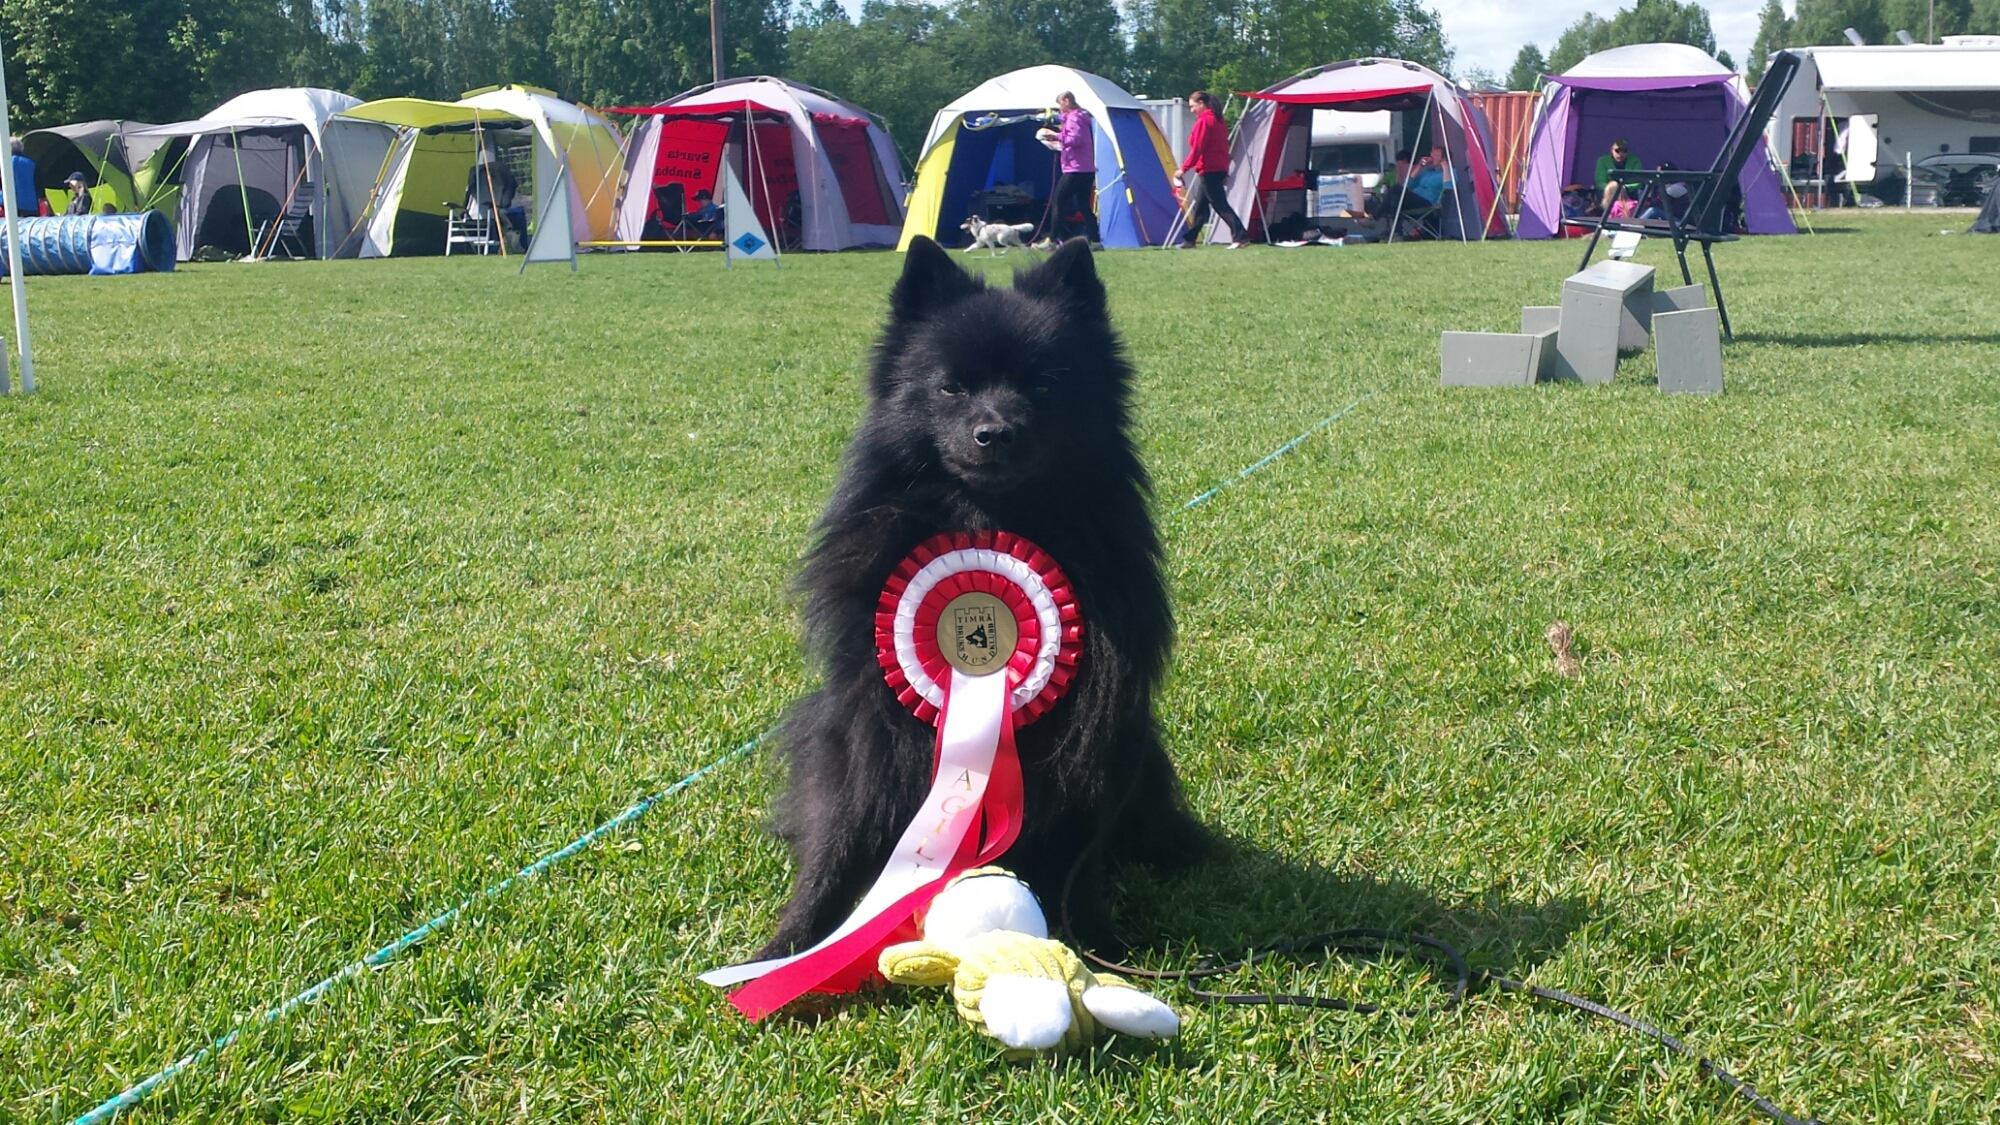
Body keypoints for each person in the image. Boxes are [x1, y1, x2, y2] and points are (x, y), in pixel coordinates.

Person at [1173, 89, 1247, 248]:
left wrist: (1183, 169)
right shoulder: (1219, 121)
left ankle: (1240, 236)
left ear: (1201, 104)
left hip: (1209, 169)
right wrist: (1225, 170)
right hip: (1218, 167)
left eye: (1193, 106)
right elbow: (1223, 148)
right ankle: (1190, 239)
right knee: (1201, 206)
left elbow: (1198, 148)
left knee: (1219, 204)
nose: (1191, 110)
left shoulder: (1204, 121)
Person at [1046, 91, 1099, 247]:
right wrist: (1058, 144)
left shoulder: (1074, 117)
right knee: (1084, 206)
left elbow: (1075, 140)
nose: (1059, 108)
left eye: (1060, 104)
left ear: (1067, 101)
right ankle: (1095, 240)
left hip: (1075, 169)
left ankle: (1052, 239)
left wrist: (1055, 135)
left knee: (1058, 201)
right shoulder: (1081, 118)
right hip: (1086, 169)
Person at [467, 145, 527, 243]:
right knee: (511, 214)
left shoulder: (476, 181)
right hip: (492, 214)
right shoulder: (500, 179)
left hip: (475, 214)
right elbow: (506, 202)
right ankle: (516, 241)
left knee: (504, 213)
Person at [1596, 138, 1639, 212]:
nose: (1620, 154)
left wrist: (1625, 188)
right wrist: (1612, 188)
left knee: (1639, 193)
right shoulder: (1602, 161)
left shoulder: (1635, 161)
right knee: (1600, 194)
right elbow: (1600, 182)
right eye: (1617, 151)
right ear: (1611, 150)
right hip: (1608, 192)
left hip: (1628, 192)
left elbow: (1638, 182)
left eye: (1624, 151)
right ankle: (1605, 215)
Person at [7, 138, 37, 218]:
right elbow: (38, 185)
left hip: (10, 204)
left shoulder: (5, 163)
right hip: (31, 205)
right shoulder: (32, 163)